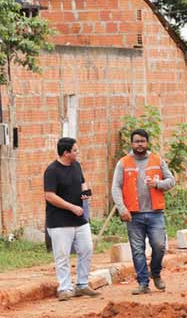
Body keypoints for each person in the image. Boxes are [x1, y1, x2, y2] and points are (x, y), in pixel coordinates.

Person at [112, 129, 175, 295]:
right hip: (134, 214)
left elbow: (171, 181)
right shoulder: (123, 163)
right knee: (137, 250)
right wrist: (122, 208)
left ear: (147, 142)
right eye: (136, 141)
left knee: (159, 246)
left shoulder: (157, 160)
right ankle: (143, 283)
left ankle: (155, 273)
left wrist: (157, 184)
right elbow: (116, 187)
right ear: (131, 143)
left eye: (142, 141)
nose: (139, 144)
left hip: (155, 212)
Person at [43, 137, 99, 301]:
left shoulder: (76, 166)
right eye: (74, 150)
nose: (77, 152)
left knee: (87, 249)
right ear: (66, 153)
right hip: (60, 221)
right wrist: (71, 207)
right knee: (62, 255)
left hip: (80, 219)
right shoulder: (52, 170)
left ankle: (82, 284)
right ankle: (65, 287)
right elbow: (50, 196)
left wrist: (85, 193)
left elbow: (82, 183)